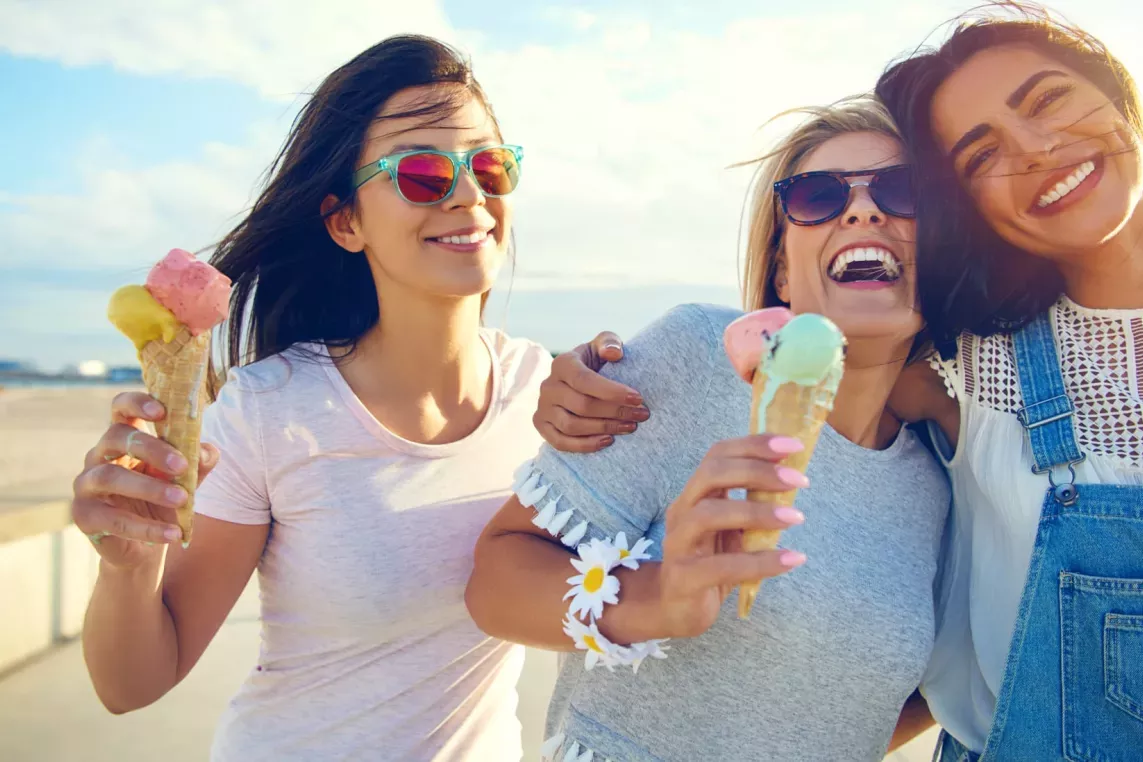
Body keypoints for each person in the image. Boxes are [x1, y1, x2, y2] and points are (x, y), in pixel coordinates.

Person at [538, 8, 1143, 761]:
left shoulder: (927, 434)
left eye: (1049, 99)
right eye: (981, 153)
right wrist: (588, 374)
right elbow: (825, 359)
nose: (1035, 148)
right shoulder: (967, 372)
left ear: (1123, 96)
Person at [68, 35, 565, 761]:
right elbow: (131, 684)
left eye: (489, 166)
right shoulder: (270, 410)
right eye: (422, 174)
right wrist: (128, 565)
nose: (468, 195)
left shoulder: (544, 396)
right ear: (345, 221)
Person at [465, 97, 950, 762]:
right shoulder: (692, 356)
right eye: (817, 196)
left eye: (903, 191)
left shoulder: (942, 476)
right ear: (782, 270)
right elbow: (494, 579)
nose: (863, 211)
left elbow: (905, 701)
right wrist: (656, 598)